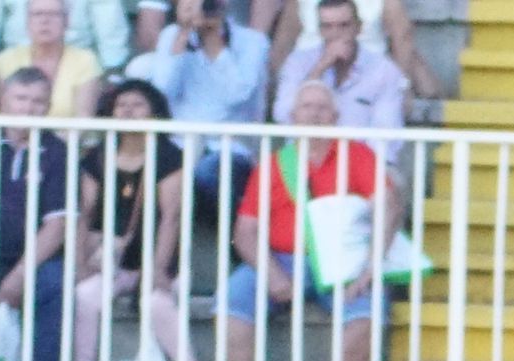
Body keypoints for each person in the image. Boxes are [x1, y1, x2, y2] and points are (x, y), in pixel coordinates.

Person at [216, 81, 395, 361]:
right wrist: (271, 274)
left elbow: (388, 207)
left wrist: (370, 266)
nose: (313, 113)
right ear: (292, 116)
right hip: (280, 258)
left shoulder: (356, 155)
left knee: (368, 311)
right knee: (231, 304)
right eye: (306, 107)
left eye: (321, 107)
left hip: (342, 263)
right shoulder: (274, 164)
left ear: (336, 116)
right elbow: (246, 230)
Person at [74, 78, 202, 361]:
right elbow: (83, 214)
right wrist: (80, 264)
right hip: (108, 259)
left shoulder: (169, 156)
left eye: (138, 105)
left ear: (155, 113)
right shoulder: (99, 156)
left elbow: (171, 217)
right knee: (85, 297)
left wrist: (157, 270)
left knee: (156, 304)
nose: (129, 111)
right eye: (122, 105)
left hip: (160, 259)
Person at [0, 68, 81, 361]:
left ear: (48, 106)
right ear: (4, 99)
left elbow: (57, 223)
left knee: (55, 285)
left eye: (37, 101)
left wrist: (18, 275)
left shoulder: (57, 152)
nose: (28, 109)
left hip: (29, 260)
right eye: (21, 99)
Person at [151, 0, 270, 224]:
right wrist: (184, 33)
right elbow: (162, 91)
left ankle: (236, 239)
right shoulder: (172, 35)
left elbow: (237, 95)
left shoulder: (253, 41)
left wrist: (214, 42)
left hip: (231, 147)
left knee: (207, 172)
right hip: (181, 145)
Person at [273, 0, 406, 163]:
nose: (335, 34)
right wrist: (320, 68)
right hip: (306, 161)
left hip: (364, 164)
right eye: (328, 27)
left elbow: (386, 133)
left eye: (344, 26)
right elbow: (283, 114)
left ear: (359, 27)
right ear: (320, 30)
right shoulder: (298, 63)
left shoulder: (383, 70)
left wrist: (352, 168)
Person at [268, 0, 440, 98]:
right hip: (308, 70)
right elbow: (283, 41)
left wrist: (402, 86)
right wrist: (278, 84)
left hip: (366, 75)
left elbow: (402, 36)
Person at [0, 0, 101, 117]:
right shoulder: (5, 60)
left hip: (71, 135)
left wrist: (51, 137)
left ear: (67, 21)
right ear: (27, 21)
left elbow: (83, 118)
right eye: (37, 14)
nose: (45, 21)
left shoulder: (85, 61)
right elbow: (4, 115)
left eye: (53, 14)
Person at [0, 0, 125, 76]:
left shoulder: (85, 62)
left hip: (77, 59)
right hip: (15, 58)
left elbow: (109, 20)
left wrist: (112, 68)